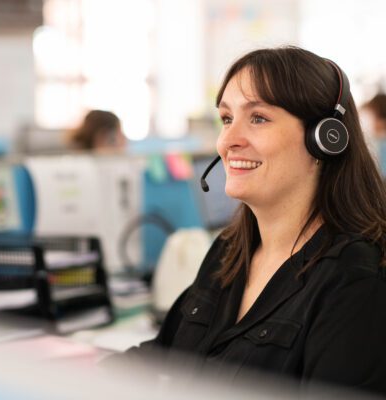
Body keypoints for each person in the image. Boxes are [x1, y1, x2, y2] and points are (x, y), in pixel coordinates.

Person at [109, 47, 386, 395]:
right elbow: (162, 357)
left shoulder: (355, 279)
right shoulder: (229, 251)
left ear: (325, 139)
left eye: (258, 118)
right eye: (227, 119)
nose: (228, 141)